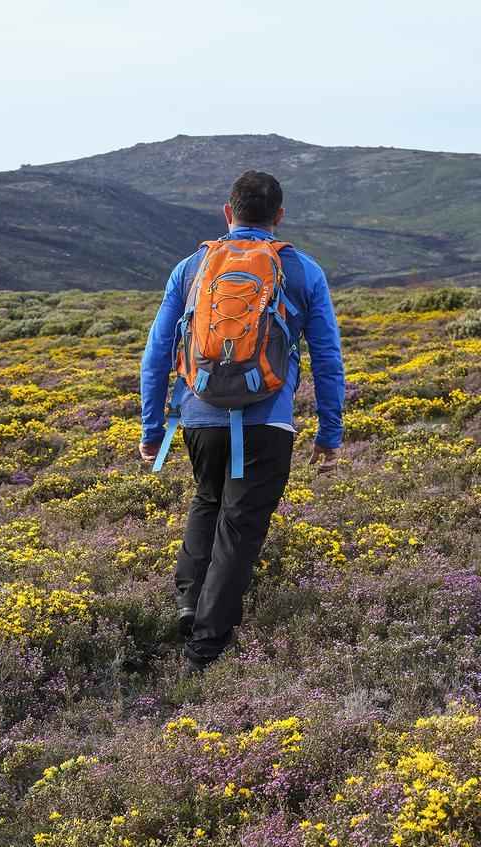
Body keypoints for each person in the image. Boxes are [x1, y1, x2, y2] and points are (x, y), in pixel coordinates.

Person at [138, 170, 345, 674]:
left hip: (199, 415)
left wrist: (152, 427)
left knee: (208, 499)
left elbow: (157, 353)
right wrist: (329, 430)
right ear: (279, 217)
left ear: (227, 213)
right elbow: (326, 355)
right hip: (268, 421)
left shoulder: (191, 268)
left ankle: (191, 602)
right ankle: (205, 648)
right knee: (241, 527)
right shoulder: (302, 271)